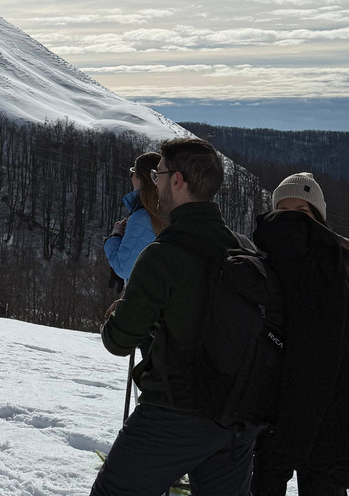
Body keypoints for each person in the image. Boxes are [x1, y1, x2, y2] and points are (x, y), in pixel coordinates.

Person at [91, 137, 260, 496]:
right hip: (238, 416)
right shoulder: (244, 248)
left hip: (174, 413)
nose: (154, 182)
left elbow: (119, 340)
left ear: (178, 180)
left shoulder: (162, 254)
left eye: (159, 174)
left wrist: (119, 311)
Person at [251, 172, 349, 496]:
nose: (292, 219)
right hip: (271, 392)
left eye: (302, 211)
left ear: (318, 216)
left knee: (323, 480)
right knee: (265, 479)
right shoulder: (260, 253)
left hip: (328, 393)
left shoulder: (344, 256)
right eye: (283, 210)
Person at [104, 151, 163, 284]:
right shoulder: (166, 209)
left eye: (133, 172)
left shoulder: (143, 217)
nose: (131, 176)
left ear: (140, 177)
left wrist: (115, 237)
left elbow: (124, 268)